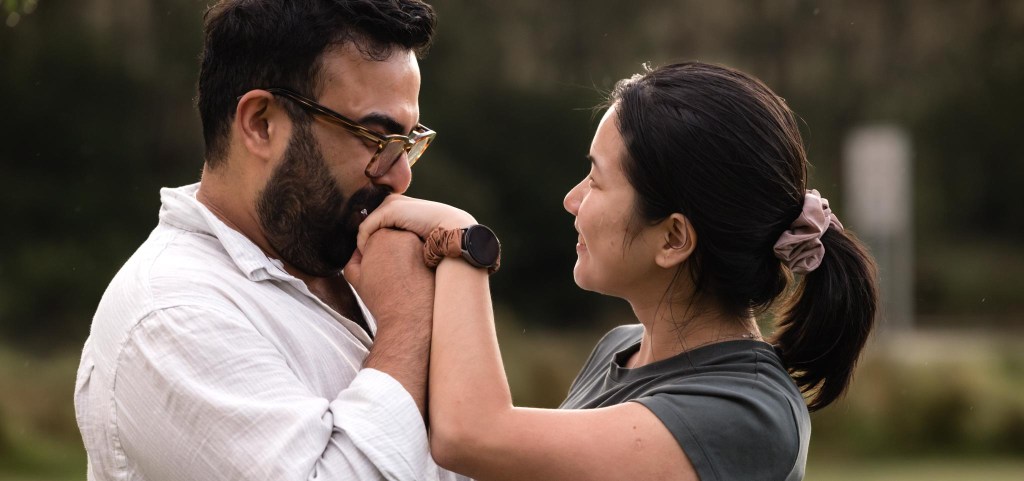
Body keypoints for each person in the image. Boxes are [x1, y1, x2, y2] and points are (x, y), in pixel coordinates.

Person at [355, 62, 879, 480]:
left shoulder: (747, 413)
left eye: (597, 180)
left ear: (673, 239)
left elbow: (471, 437)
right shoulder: (623, 348)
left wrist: (462, 240)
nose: (572, 200)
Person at [73, 1, 467, 480]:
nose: (401, 177)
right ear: (261, 123)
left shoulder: (356, 261)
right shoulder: (170, 314)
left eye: (408, 143)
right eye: (375, 138)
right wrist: (407, 324)